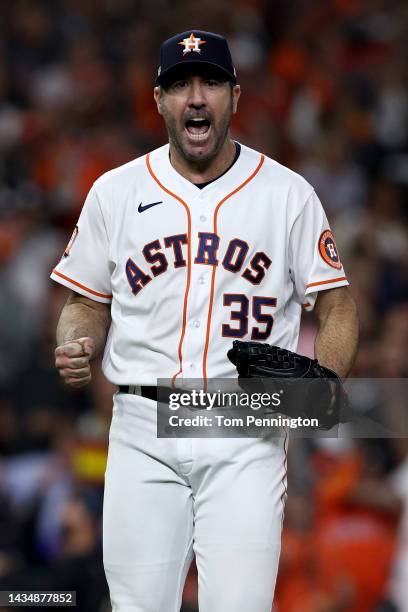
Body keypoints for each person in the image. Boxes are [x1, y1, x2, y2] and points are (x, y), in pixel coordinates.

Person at [52, 30, 359, 612]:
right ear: (159, 100)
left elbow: (338, 303)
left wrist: (324, 383)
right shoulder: (114, 192)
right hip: (143, 423)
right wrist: (76, 340)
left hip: (245, 423)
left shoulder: (288, 195)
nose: (196, 97)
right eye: (180, 85)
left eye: (211, 82)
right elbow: (84, 302)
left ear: (235, 96)